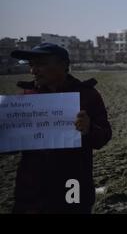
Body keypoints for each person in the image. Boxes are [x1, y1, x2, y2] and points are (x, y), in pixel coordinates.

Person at [9, 43, 112, 213]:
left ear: (63, 65)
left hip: (74, 183)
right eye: (31, 65)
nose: (33, 71)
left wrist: (89, 129)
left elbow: (104, 136)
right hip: (32, 187)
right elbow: (11, 147)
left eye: (40, 64)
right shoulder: (26, 98)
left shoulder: (87, 95)